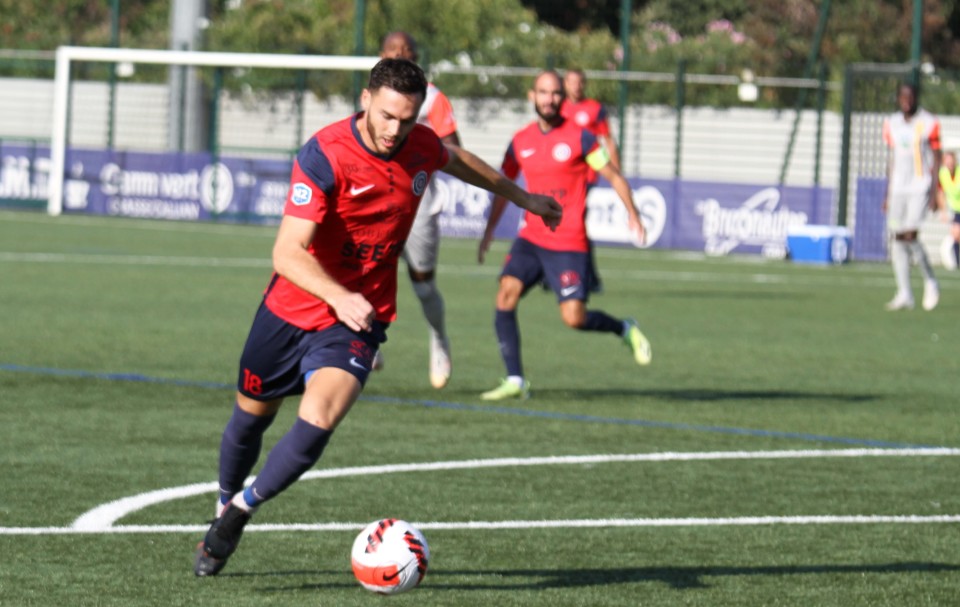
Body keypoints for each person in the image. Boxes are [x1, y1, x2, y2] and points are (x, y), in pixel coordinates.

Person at [193, 58, 561, 577]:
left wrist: (523, 197)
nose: (395, 130)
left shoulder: (420, 143)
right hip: (289, 309)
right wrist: (337, 294)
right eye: (387, 116)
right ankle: (223, 501)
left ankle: (241, 510)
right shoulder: (324, 154)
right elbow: (287, 253)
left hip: (360, 317)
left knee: (319, 418)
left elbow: (457, 160)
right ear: (366, 99)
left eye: (407, 120)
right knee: (250, 418)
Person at [476, 70, 651, 401]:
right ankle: (515, 379)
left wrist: (634, 214)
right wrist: (489, 231)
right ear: (533, 96)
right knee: (505, 294)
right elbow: (502, 186)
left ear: (562, 98)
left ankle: (623, 328)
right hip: (531, 238)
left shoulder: (582, 138)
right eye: (543, 92)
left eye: (555, 93)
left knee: (574, 318)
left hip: (569, 242)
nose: (549, 99)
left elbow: (613, 175)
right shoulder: (520, 141)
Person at [372, 31, 462, 388]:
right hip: (376, 197)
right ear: (381, 55)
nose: (400, 56)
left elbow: (454, 149)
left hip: (418, 199)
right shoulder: (373, 95)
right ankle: (367, 340)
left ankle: (439, 339)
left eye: (407, 52)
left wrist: (421, 151)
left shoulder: (433, 99)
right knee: (367, 268)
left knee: (423, 285)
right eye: (393, 52)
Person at [882, 82, 941, 311]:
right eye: (902, 96)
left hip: (920, 187)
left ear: (916, 97)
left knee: (910, 234)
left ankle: (930, 280)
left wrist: (936, 192)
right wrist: (887, 193)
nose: (906, 100)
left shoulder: (929, 122)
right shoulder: (891, 123)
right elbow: (892, 159)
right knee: (897, 236)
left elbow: (937, 157)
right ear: (898, 98)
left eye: (910, 96)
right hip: (897, 190)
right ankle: (904, 292)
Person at [561, 68, 618, 293]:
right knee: (560, 224)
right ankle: (557, 274)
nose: (575, 86)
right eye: (571, 82)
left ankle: (589, 277)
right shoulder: (558, 107)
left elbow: (608, 142)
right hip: (560, 174)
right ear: (565, 84)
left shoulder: (595, 109)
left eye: (579, 82)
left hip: (586, 175)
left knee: (575, 223)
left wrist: (616, 175)